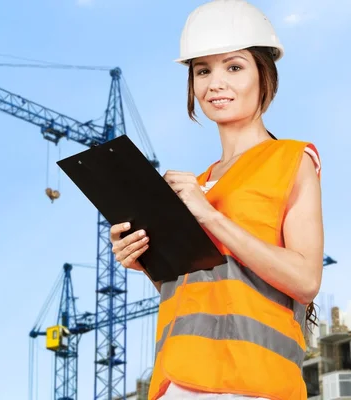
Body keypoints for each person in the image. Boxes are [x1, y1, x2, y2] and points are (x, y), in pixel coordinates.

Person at [110, 1, 324, 399]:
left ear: (265, 75)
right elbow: (211, 290)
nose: (215, 83)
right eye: (202, 70)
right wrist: (146, 261)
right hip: (177, 381)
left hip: (253, 385)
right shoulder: (200, 183)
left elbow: (306, 281)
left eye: (234, 66)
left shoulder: (291, 161)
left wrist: (208, 216)